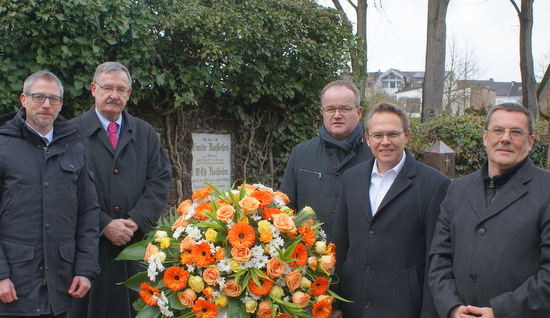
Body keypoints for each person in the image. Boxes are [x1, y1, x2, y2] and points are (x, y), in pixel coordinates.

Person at [68, 62, 172, 318]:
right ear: (93, 89)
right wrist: (104, 223)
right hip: (86, 248)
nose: (114, 95)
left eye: (121, 89)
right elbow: (63, 190)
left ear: (128, 94)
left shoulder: (145, 133)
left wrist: (135, 220)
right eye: (108, 88)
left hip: (133, 246)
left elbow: (160, 178)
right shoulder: (70, 133)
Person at [429, 102, 550, 318]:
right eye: (498, 131)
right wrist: (452, 307)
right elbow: (439, 258)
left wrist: (501, 311)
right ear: (486, 138)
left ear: (530, 142)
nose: (505, 138)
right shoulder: (457, 189)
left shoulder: (546, 191)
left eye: (516, 132)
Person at [332, 102, 450, 317]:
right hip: (353, 305)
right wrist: (335, 302)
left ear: (406, 135)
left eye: (393, 134)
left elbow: (437, 259)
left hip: (403, 308)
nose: (385, 142)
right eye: (378, 135)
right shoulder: (351, 179)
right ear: (367, 139)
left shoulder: (434, 185)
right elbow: (340, 244)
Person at [0, 71, 100, 317]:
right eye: (39, 97)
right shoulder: (3, 147)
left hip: (61, 286)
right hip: (14, 287)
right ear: (24, 99)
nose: (46, 105)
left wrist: (85, 270)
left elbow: (88, 212)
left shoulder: (74, 149)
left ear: (61, 104)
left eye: (53, 99)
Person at [280, 80, 372, 242]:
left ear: (358, 112)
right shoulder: (301, 153)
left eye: (344, 108)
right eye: (330, 109)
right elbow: (285, 209)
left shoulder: (375, 156)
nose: (337, 115)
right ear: (322, 112)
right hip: (311, 260)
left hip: (361, 260)